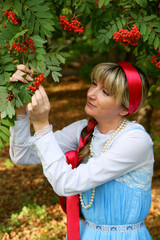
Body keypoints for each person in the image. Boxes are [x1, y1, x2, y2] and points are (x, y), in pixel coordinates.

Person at [9, 62, 154, 240]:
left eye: (105, 92)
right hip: (86, 234)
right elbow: (22, 154)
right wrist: (21, 110)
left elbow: (67, 184)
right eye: (94, 83)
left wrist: (41, 125)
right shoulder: (83, 130)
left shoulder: (136, 141)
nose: (91, 94)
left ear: (125, 108)